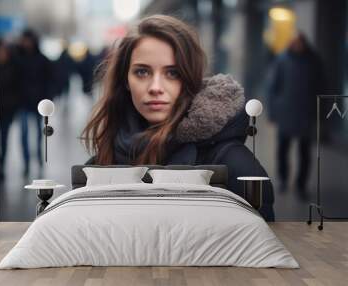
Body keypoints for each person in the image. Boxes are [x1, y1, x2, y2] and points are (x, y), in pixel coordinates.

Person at [81, 15, 275, 221]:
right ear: (126, 80)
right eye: (142, 72)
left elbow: (262, 245)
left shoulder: (233, 163)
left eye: (172, 73)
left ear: (189, 79)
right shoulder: (103, 159)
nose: (156, 87)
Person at [266, 32, 324, 200]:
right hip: (286, 112)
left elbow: (322, 86)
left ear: (305, 43)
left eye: (300, 42)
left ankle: (301, 185)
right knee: (283, 148)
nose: (298, 45)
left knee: (305, 151)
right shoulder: (282, 60)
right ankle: (283, 179)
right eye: (295, 42)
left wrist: (321, 111)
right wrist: (272, 112)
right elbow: (272, 88)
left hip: (306, 113)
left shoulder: (314, 61)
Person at [17, 29, 53, 177]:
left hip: (39, 103)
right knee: (24, 133)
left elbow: (49, 79)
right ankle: (26, 161)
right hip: (24, 102)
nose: (26, 43)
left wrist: (48, 98)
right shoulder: (18, 59)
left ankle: (38, 158)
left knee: (38, 133)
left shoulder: (42, 59)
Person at [0, 40, 21, 180]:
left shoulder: (13, 67)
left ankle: (1, 164)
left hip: (8, 110)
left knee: (4, 139)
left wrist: (14, 105)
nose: (2, 55)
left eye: (4, 52)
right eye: (0, 52)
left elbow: (17, 88)